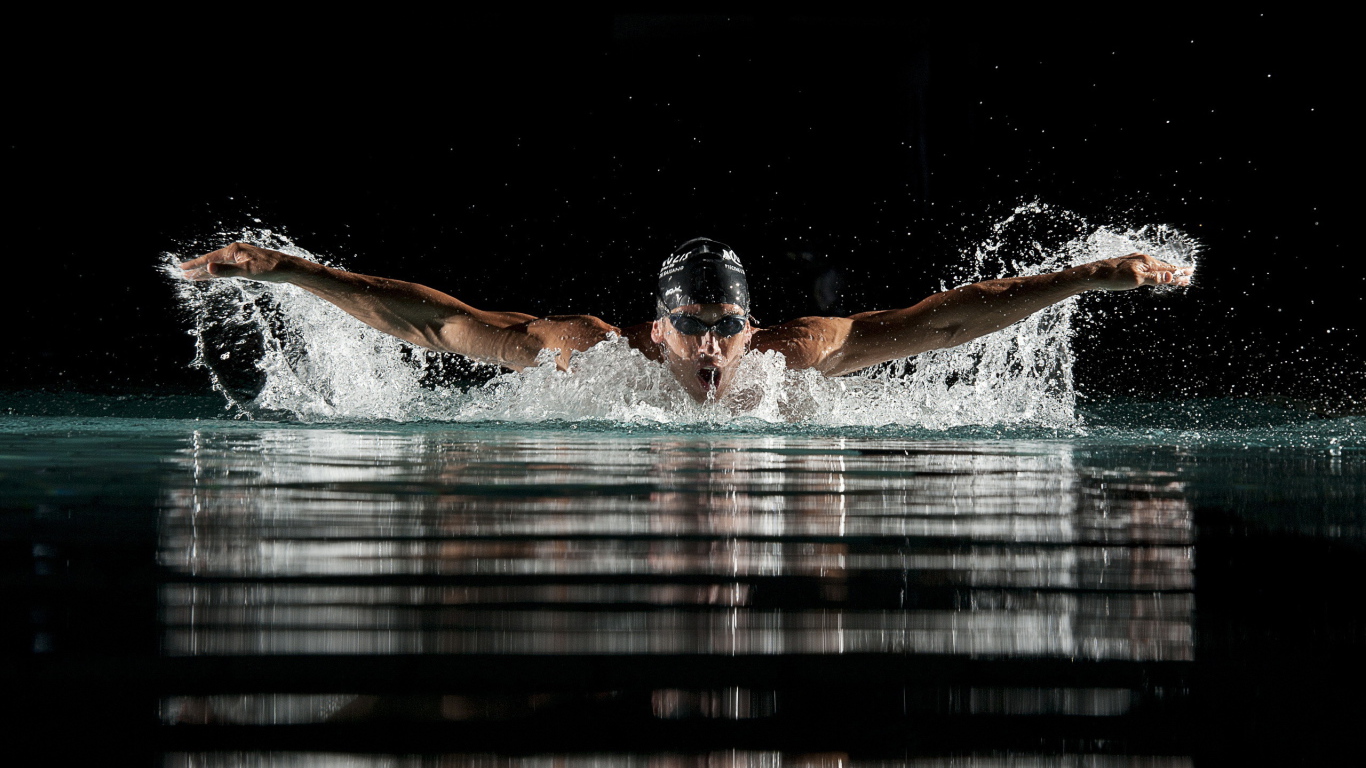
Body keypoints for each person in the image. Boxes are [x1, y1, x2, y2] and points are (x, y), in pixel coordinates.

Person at [179, 237, 1193, 402]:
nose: (710, 348)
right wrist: (286, 271)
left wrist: (1089, 276)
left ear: (754, 328)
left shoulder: (796, 357)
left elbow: (947, 322)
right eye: (691, 327)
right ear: (651, 329)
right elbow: (427, 324)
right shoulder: (590, 353)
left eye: (726, 327)